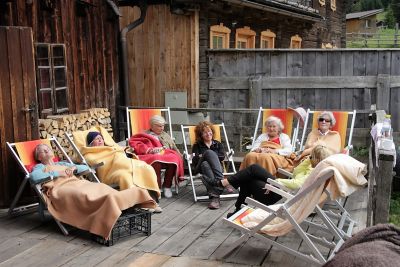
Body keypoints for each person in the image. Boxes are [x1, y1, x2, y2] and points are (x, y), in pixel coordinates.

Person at [30, 144, 156, 240]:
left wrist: (74, 168)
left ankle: (121, 201)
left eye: (48, 148)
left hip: (79, 183)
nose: (47, 150)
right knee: (86, 195)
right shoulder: (40, 167)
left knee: (101, 187)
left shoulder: (62, 163)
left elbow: (85, 168)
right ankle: (110, 211)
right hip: (61, 188)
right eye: (42, 150)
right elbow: (34, 177)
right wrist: (58, 173)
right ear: (39, 157)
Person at [223, 145, 333, 217]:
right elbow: (295, 173)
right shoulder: (314, 168)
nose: (309, 157)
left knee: (252, 172)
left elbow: (297, 184)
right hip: (282, 191)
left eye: (311, 156)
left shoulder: (313, 172)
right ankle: (236, 205)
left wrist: (276, 182)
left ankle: (226, 186)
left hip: (278, 195)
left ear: (317, 159)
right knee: (251, 173)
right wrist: (308, 161)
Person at [80, 128, 162, 213]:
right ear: (91, 143)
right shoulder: (90, 154)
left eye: (101, 138)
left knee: (147, 168)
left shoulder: (111, 148)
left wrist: (120, 151)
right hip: (110, 172)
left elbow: (121, 151)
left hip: (124, 167)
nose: (100, 140)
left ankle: (152, 200)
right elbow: (95, 162)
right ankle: (140, 205)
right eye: (97, 139)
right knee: (126, 177)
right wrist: (114, 157)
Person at [128, 115, 184, 198]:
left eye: (163, 126)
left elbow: (173, 147)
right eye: (159, 126)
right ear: (152, 126)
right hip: (150, 156)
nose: (162, 128)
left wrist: (179, 155)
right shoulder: (144, 134)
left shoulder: (165, 135)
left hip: (164, 156)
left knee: (174, 159)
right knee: (155, 160)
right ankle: (157, 187)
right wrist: (150, 150)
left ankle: (167, 186)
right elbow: (136, 144)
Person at [191, 121, 226, 210]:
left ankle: (215, 196)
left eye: (209, 131)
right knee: (208, 155)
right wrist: (209, 155)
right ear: (200, 135)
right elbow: (195, 159)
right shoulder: (197, 145)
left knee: (206, 163)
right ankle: (221, 181)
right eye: (205, 132)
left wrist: (205, 157)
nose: (208, 134)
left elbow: (222, 157)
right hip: (199, 168)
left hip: (214, 168)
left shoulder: (218, 144)